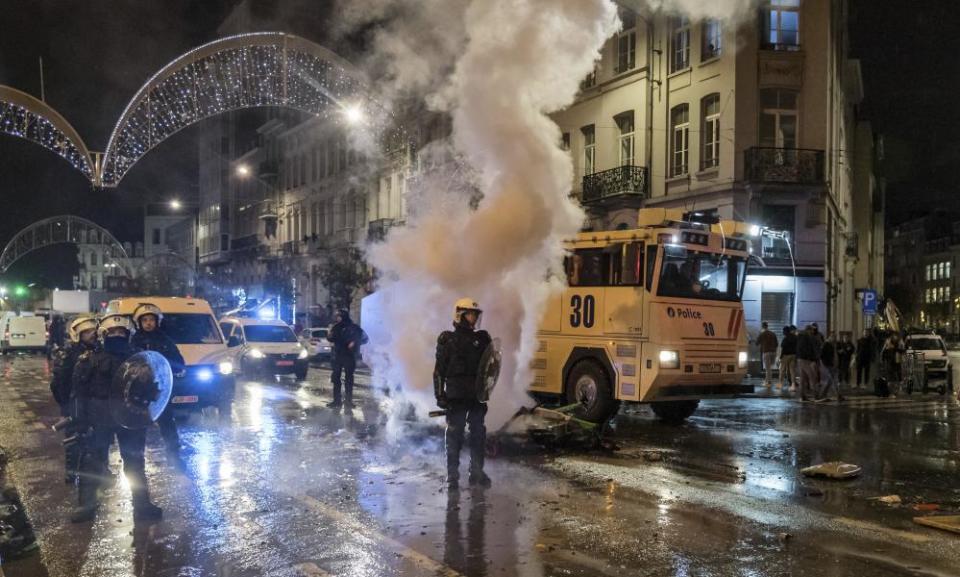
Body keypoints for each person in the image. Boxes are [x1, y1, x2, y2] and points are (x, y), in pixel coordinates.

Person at [70, 314, 162, 523]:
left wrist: (149, 396)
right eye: (113, 332)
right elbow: (78, 393)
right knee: (92, 462)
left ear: (128, 334)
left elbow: (152, 389)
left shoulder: (139, 360)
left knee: (135, 462)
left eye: (121, 332)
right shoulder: (88, 360)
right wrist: (79, 421)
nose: (117, 335)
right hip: (99, 418)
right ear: (104, 334)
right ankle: (87, 504)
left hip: (130, 418)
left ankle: (142, 504)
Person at [434, 298, 493, 490]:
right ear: (459, 315)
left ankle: (476, 471)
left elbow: (490, 367)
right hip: (456, 394)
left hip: (476, 394)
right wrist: (439, 395)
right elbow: (439, 371)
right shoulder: (448, 339)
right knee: (454, 434)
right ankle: (452, 475)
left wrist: (486, 388)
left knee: (478, 433)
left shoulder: (482, 339)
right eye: (470, 314)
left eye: (475, 314)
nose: (473, 318)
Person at [130, 303, 185, 455]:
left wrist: (168, 367)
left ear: (157, 321)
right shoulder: (133, 341)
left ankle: (174, 453)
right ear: (139, 323)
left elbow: (179, 362)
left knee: (167, 421)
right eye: (145, 320)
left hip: (160, 389)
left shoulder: (165, 340)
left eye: (151, 320)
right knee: (138, 425)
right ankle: (136, 455)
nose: (148, 323)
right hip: (139, 391)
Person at [49, 315, 98, 483]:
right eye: (87, 332)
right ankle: (71, 472)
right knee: (73, 440)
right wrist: (65, 406)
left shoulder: (98, 351)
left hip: (92, 405)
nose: (92, 334)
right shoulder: (69, 354)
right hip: (74, 405)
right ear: (77, 334)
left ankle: (94, 472)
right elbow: (58, 383)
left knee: (94, 440)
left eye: (93, 331)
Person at [327, 309, 368, 408]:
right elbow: (365, 339)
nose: (337, 318)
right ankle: (348, 401)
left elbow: (330, 338)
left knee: (337, 379)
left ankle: (338, 401)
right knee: (348, 379)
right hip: (349, 356)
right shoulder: (355, 327)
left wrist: (329, 333)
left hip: (339, 356)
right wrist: (355, 344)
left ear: (342, 317)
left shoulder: (337, 327)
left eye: (338, 316)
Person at [796, 325, 822, 402]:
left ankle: (802, 396)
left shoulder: (802, 337)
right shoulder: (805, 337)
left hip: (801, 359)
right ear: (808, 330)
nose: (813, 331)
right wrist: (811, 357)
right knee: (812, 377)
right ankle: (816, 396)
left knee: (803, 379)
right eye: (812, 330)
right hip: (804, 359)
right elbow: (806, 349)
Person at [818, 333, 845, 401]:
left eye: (835, 338)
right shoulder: (826, 344)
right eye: (833, 338)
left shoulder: (833, 344)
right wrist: (825, 363)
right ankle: (838, 395)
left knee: (830, 381)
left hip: (833, 364)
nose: (834, 339)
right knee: (833, 380)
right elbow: (821, 355)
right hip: (828, 365)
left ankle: (823, 394)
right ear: (830, 337)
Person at [756, 322, 779, 387]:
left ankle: (768, 382)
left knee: (767, 368)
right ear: (767, 326)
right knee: (769, 368)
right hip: (773, 352)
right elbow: (777, 344)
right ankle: (767, 380)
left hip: (766, 352)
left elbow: (757, 343)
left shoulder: (762, 334)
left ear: (762, 326)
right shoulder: (773, 334)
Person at [779, 326, 797, 390]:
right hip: (794, 355)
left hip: (786, 356)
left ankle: (780, 384)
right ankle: (793, 385)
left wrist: (780, 357)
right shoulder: (795, 337)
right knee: (792, 371)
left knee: (782, 370)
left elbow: (782, 348)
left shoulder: (785, 338)